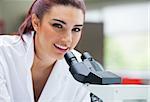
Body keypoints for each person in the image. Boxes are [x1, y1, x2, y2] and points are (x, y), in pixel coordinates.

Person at [0, 0, 91, 102]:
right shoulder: (2, 51)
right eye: (58, 25)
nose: (67, 39)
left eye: (76, 29)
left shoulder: (83, 68)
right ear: (36, 23)